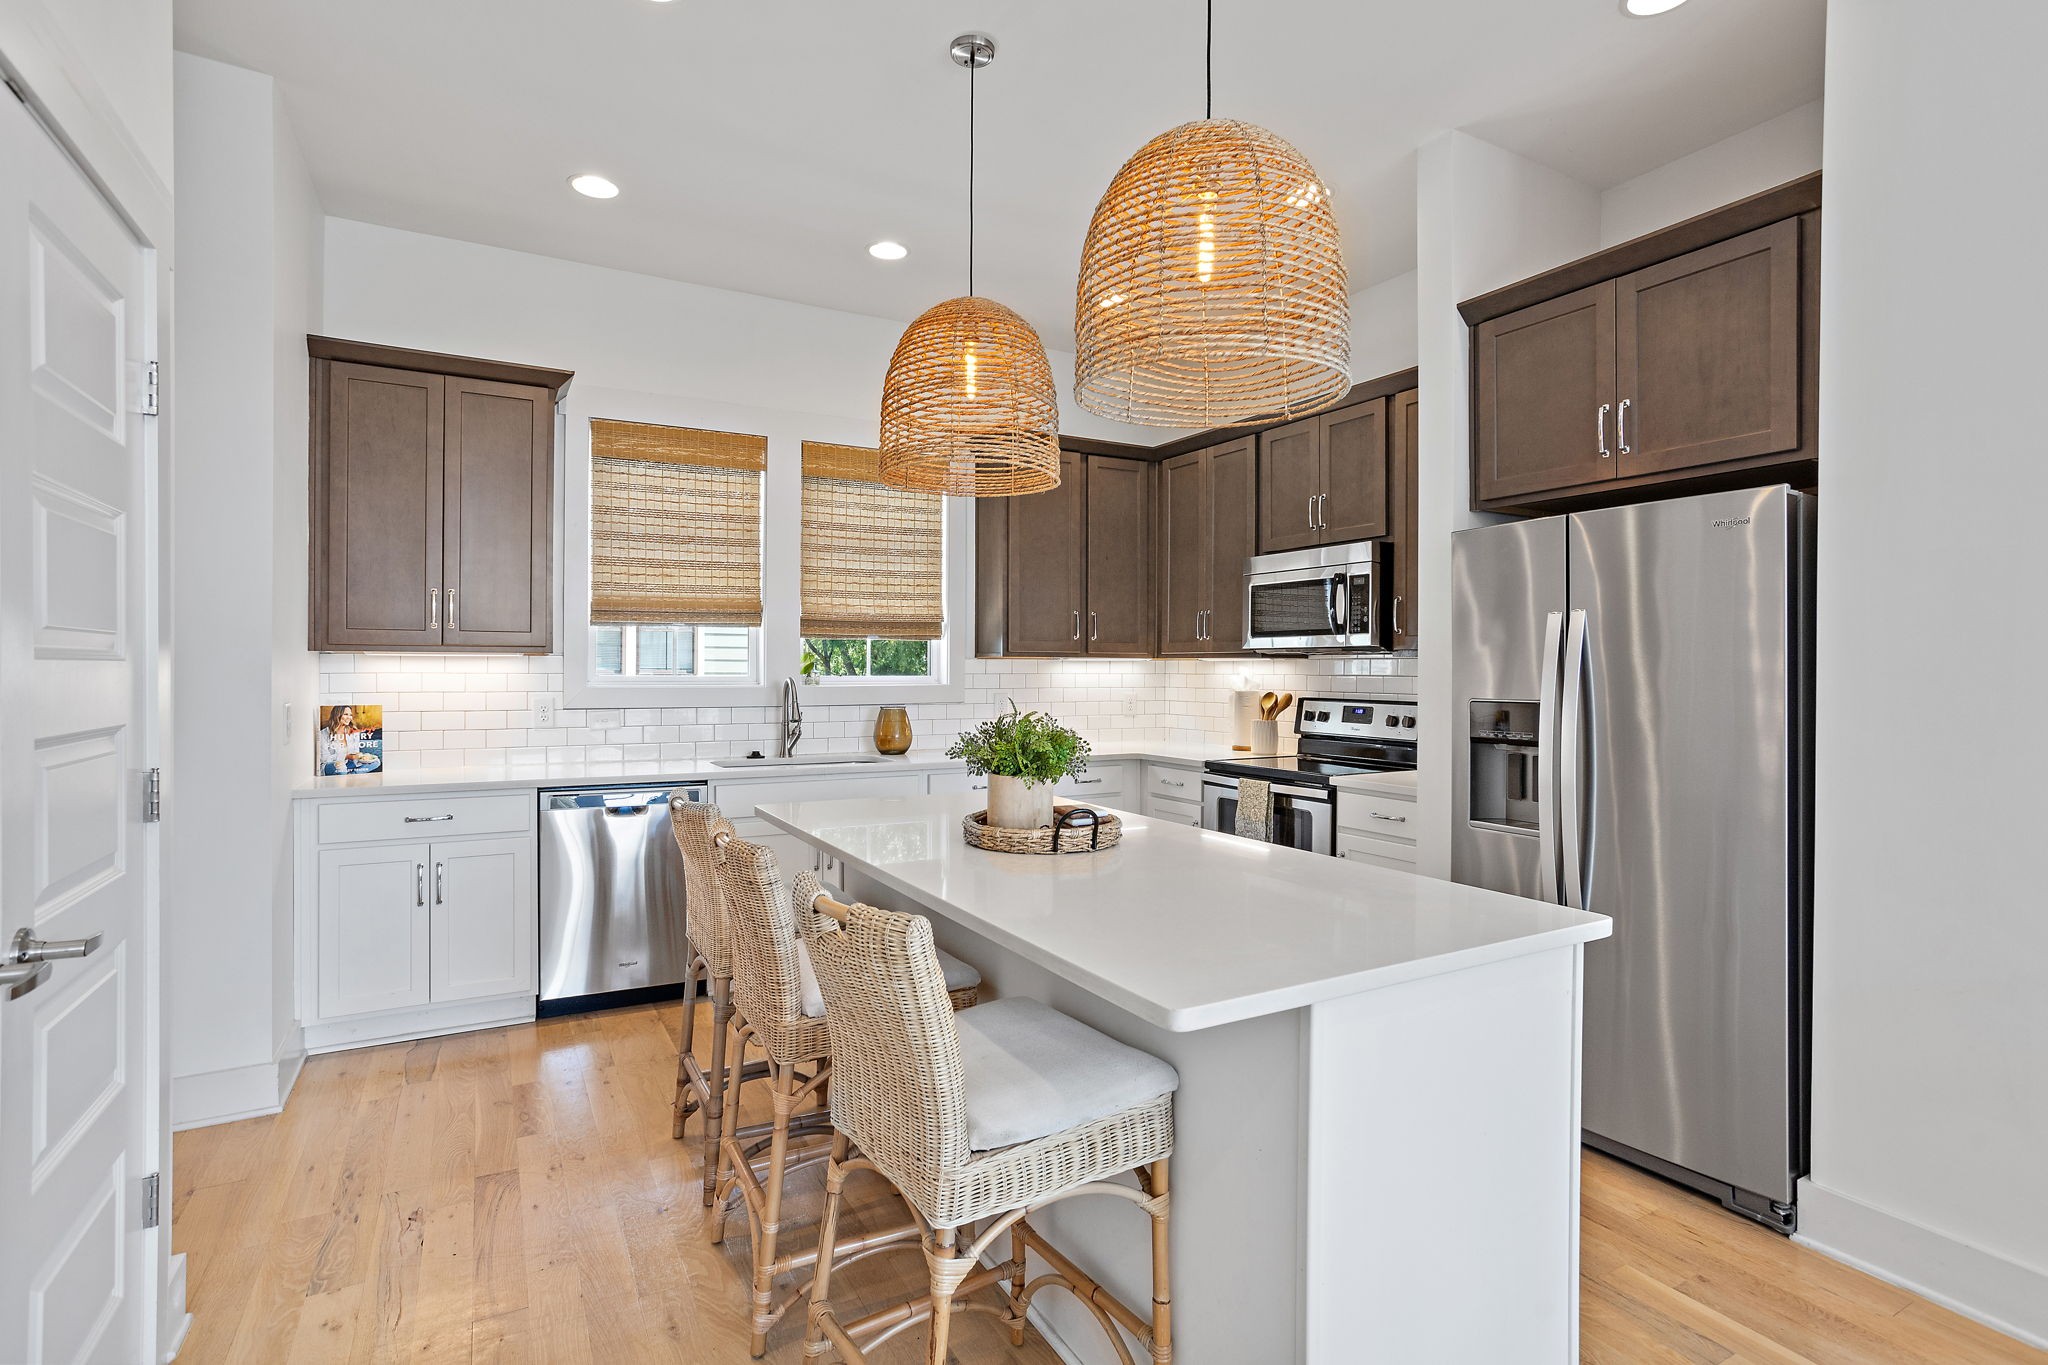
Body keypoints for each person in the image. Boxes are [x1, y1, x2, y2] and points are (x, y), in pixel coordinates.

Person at [319, 706, 378, 774]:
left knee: (376, 762)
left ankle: (352, 774)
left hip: (348, 764)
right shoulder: (323, 734)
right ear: (337, 715)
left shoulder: (353, 733)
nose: (349, 717)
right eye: (346, 714)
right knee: (341, 767)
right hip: (330, 765)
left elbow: (355, 752)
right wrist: (346, 756)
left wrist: (361, 757)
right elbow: (324, 759)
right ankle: (350, 774)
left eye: (350, 715)